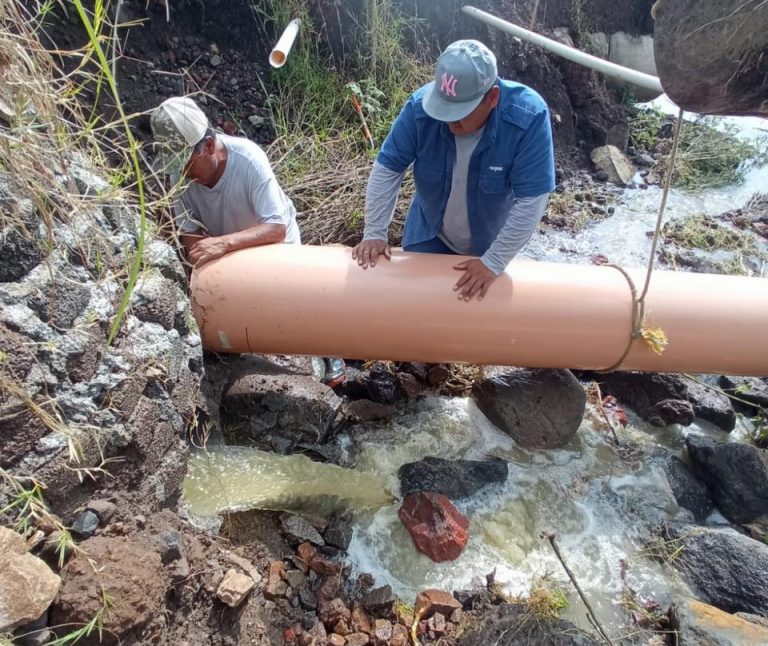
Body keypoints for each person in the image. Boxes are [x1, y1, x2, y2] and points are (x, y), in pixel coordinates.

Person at [150, 96, 345, 387]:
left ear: (209, 147)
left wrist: (222, 244)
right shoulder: (179, 176)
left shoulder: (248, 159)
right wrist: (201, 254)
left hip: (273, 246)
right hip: (229, 253)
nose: (184, 174)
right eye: (177, 166)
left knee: (299, 302)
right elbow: (188, 231)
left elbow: (276, 227)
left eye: (188, 165)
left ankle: (330, 351)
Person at [352, 39, 555, 301]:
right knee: (417, 308)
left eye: (460, 112)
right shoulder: (419, 110)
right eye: (443, 108)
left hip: (490, 241)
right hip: (430, 233)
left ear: (492, 98)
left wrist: (494, 261)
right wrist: (375, 232)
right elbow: (387, 170)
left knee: (481, 325)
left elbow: (532, 200)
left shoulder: (527, 117)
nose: (448, 120)